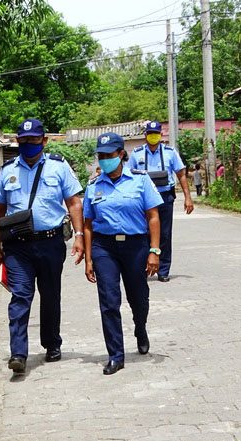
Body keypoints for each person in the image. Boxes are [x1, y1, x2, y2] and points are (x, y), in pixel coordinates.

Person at [0, 118, 84, 374]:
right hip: (17, 247)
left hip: (50, 243)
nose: (28, 144)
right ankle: (18, 353)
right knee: (20, 296)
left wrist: (79, 235)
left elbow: (74, 202)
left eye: (33, 140)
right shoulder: (8, 170)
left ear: (44, 141)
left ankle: (52, 343)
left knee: (50, 295)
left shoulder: (58, 166)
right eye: (23, 140)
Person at [83, 132, 163, 375]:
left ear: (121, 154)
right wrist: (88, 259)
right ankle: (115, 355)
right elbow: (88, 224)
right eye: (101, 156)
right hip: (104, 247)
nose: (105, 159)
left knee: (138, 297)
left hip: (135, 246)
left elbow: (153, 217)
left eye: (109, 155)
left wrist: (154, 251)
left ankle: (140, 327)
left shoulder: (140, 180)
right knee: (109, 301)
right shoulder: (93, 186)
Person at [128, 121, 194, 282]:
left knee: (164, 234)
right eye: (150, 133)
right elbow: (129, 176)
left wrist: (188, 197)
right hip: (143, 198)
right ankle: (143, 268)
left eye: (156, 133)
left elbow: (181, 174)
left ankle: (163, 270)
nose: (153, 136)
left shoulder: (170, 152)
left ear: (161, 134)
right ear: (145, 135)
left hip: (165, 196)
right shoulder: (136, 154)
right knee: (143, 233)